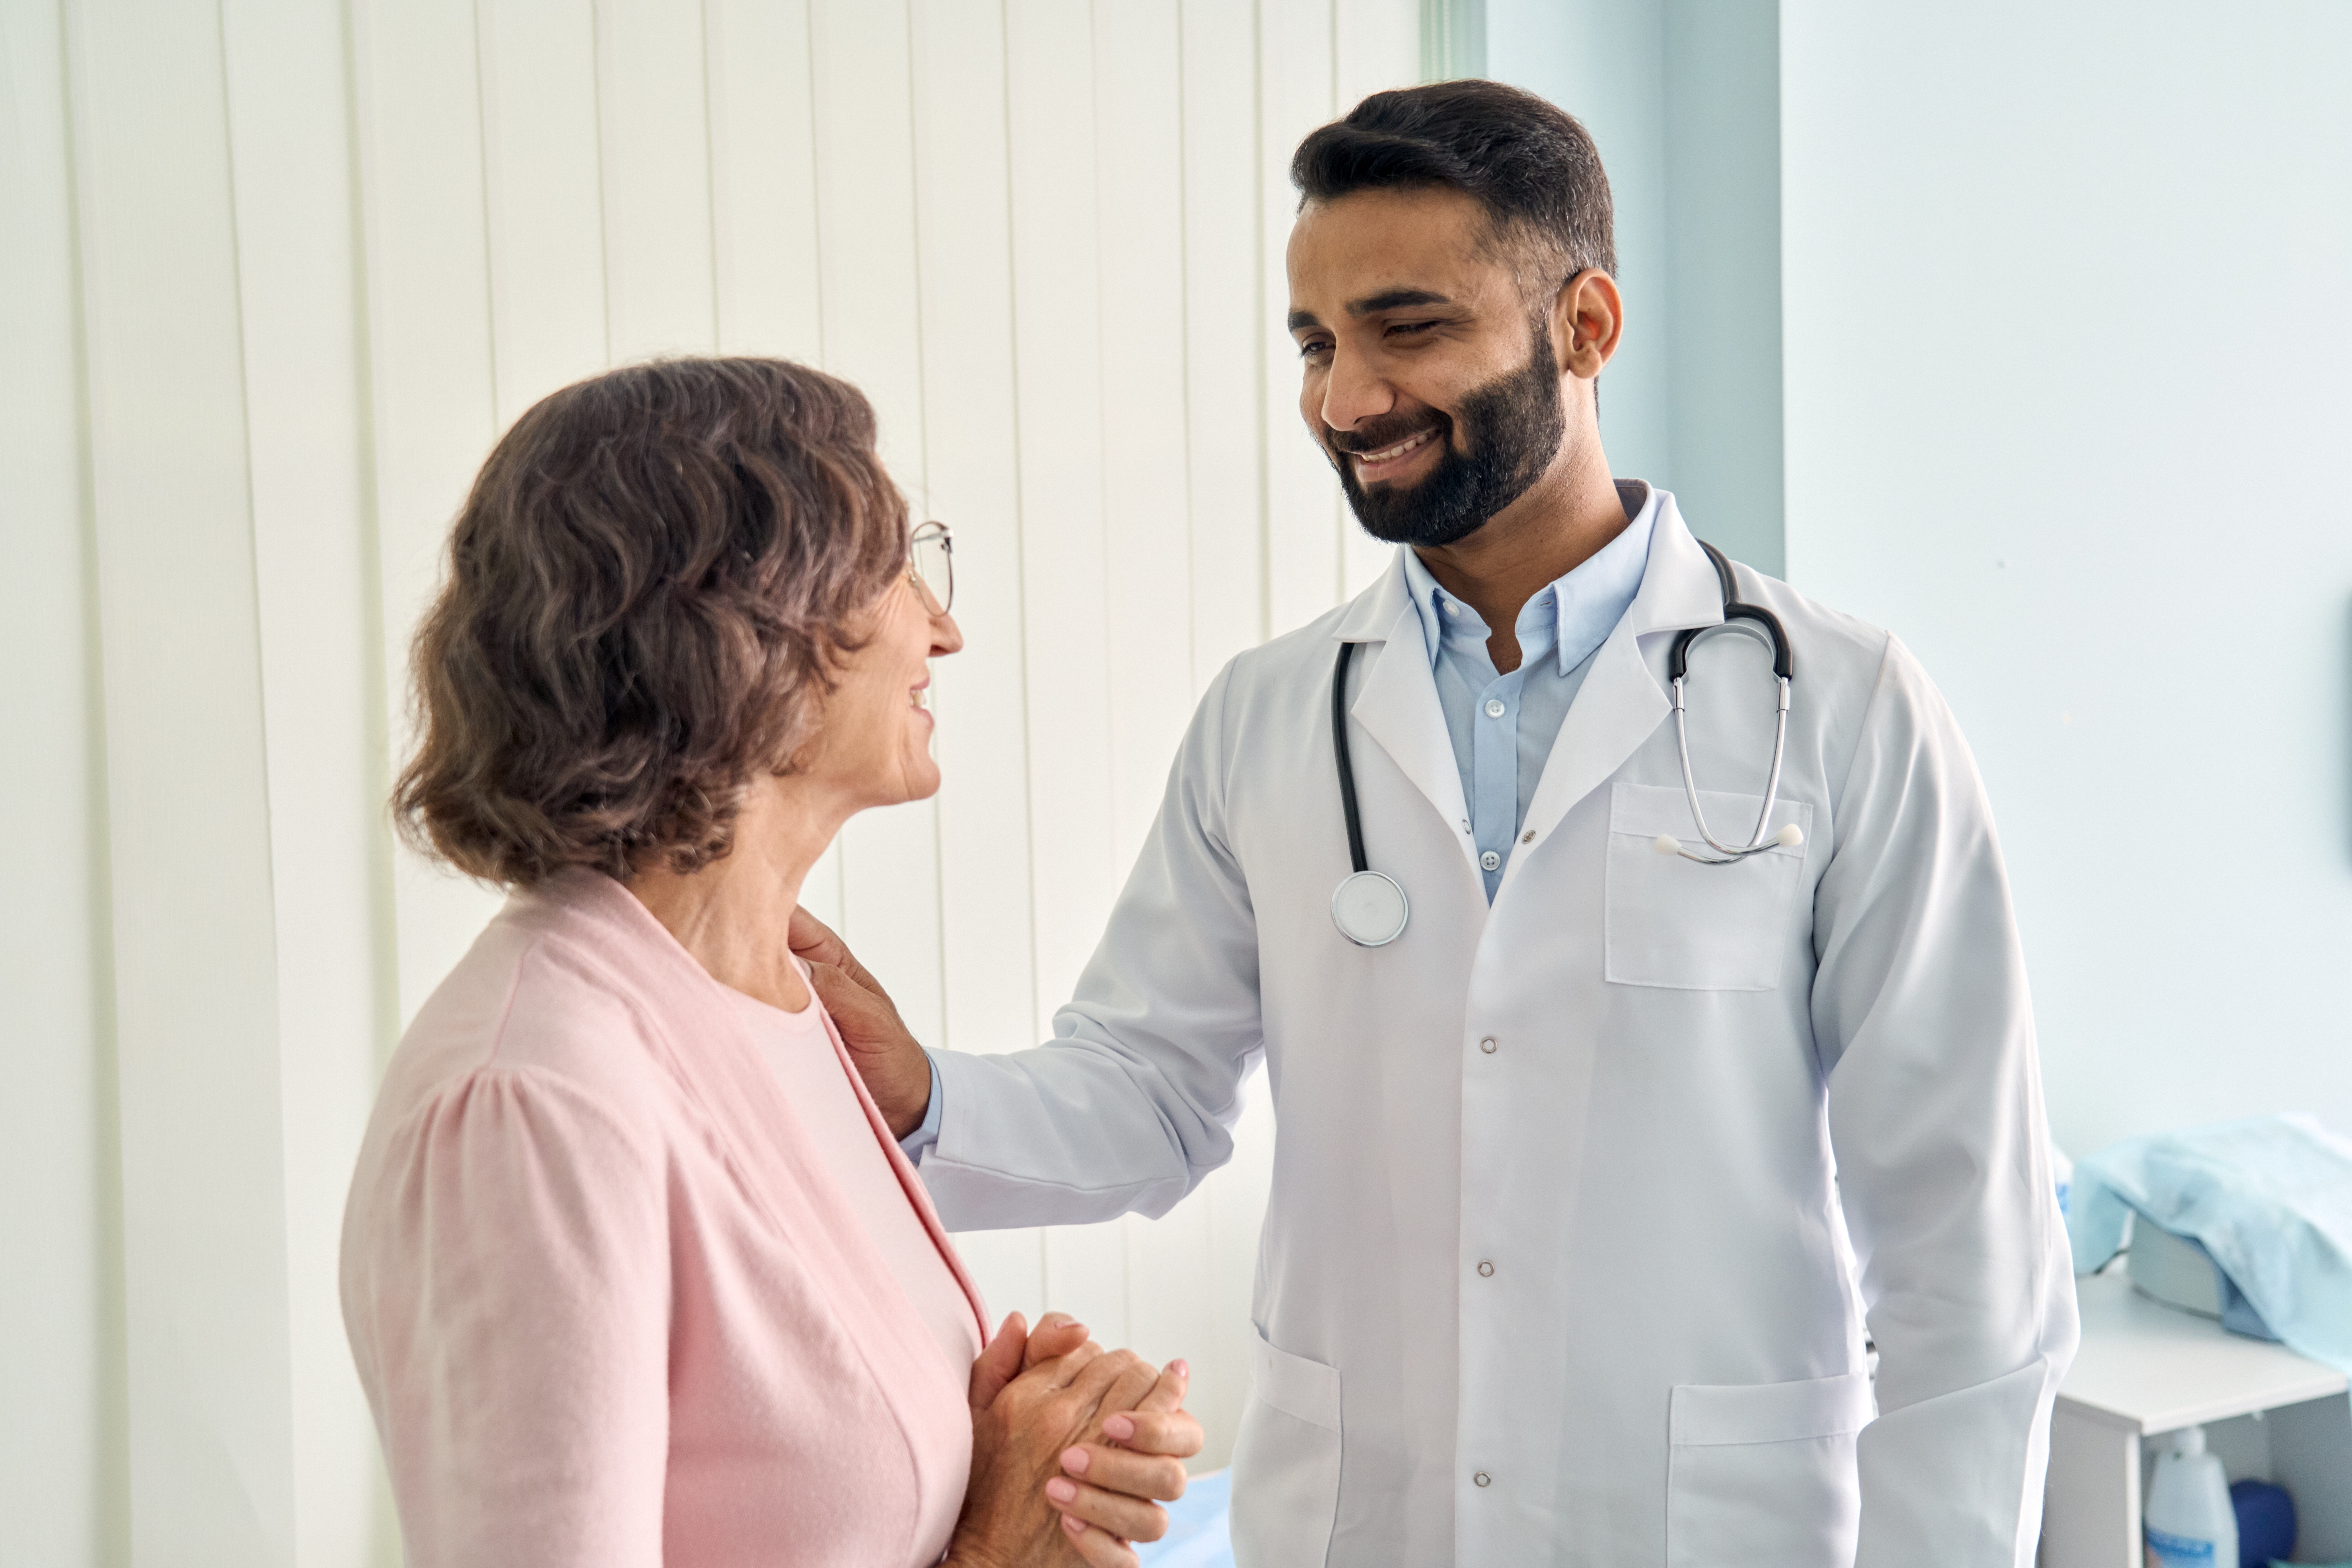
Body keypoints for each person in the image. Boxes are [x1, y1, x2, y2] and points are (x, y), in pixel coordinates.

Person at [795, 81, 2078, 1567]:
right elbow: (1149, 1094)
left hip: (1714, 1529)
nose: (1347, 400)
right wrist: (917, 1093)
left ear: (1584, 326)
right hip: (1363, 1522)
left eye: (1410, 331)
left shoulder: (1843, 709)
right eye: (1317, 344)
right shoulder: (1272, 719)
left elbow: (1965, 1239)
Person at [339, 357, 1199, 1568]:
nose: (942, 627)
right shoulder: (533, 1100)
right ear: (751, 627)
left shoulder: (771, 1005)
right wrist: (994, 1556)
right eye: (899, 564)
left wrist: (1030, 1463)